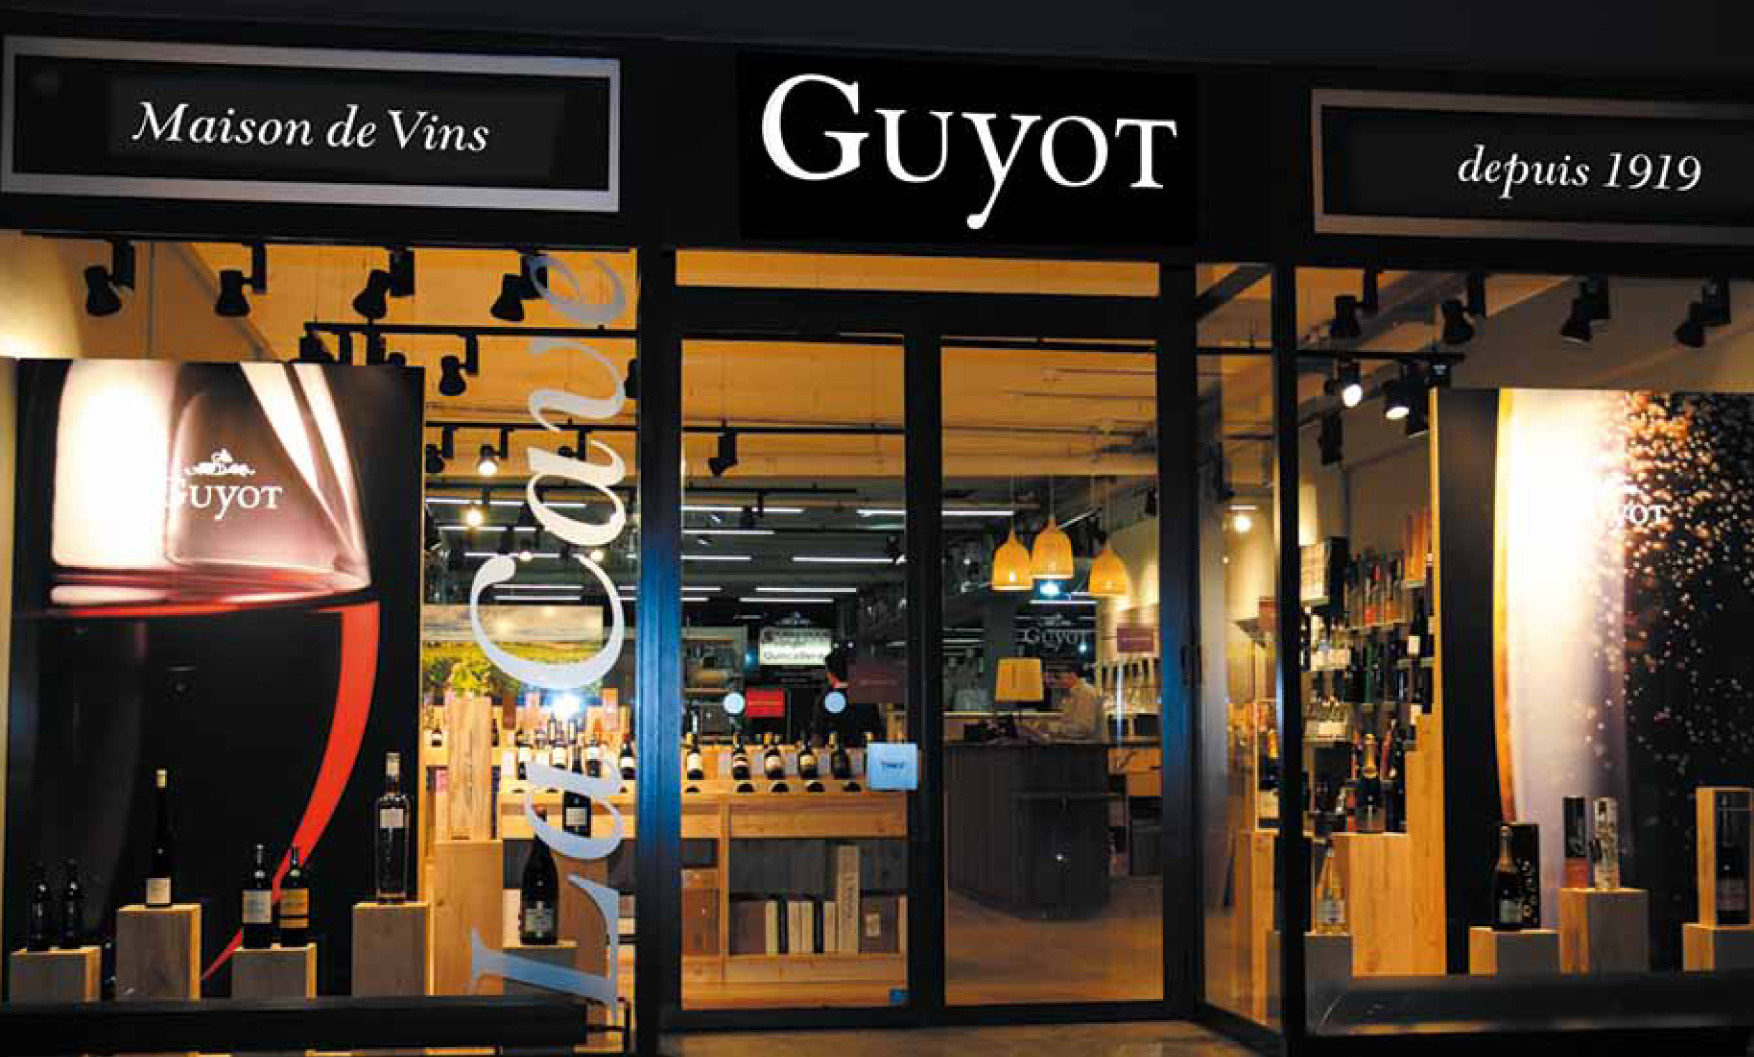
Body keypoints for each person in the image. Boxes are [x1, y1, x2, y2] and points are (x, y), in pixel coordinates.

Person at [1030, 666, 1107, 742]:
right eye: (1047, 678)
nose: (1050, 681)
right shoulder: (1070, 693)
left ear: (1072, 675)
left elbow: (1083, 729)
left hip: (1089, 748)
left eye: (1057, 677)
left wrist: (1050, 727)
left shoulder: (1085, 693)